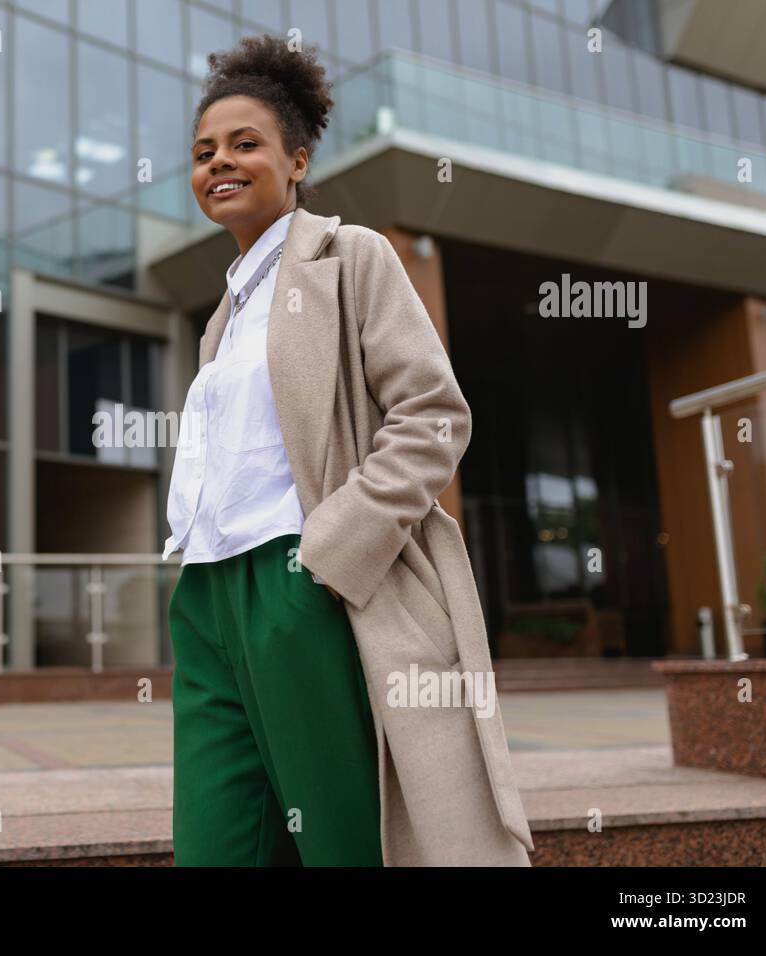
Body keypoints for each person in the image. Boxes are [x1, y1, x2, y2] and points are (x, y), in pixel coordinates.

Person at [163, 35, 534, 867]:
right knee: (215, 843)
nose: (219, 162)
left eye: (245, 144)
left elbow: (435, 415)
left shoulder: (350, 256)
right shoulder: (220, 321)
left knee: (338, 836)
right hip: (209, 602)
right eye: (203, 152)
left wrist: (331, 553)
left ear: (297, 160)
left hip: (301, 582)